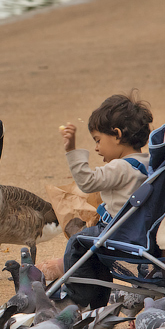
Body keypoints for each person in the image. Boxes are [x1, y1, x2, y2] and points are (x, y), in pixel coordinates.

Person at [57, 91, 153, 309]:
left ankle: (76, 298)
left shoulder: (121, 167)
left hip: (118, 231)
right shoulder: (150, 163)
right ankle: (98, 305)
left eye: (98, 140)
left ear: (117, 134)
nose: (96, 148)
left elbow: (88, 182)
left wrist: (71, 150)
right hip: (141, 231)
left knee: (78, 242)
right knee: (96, 253)